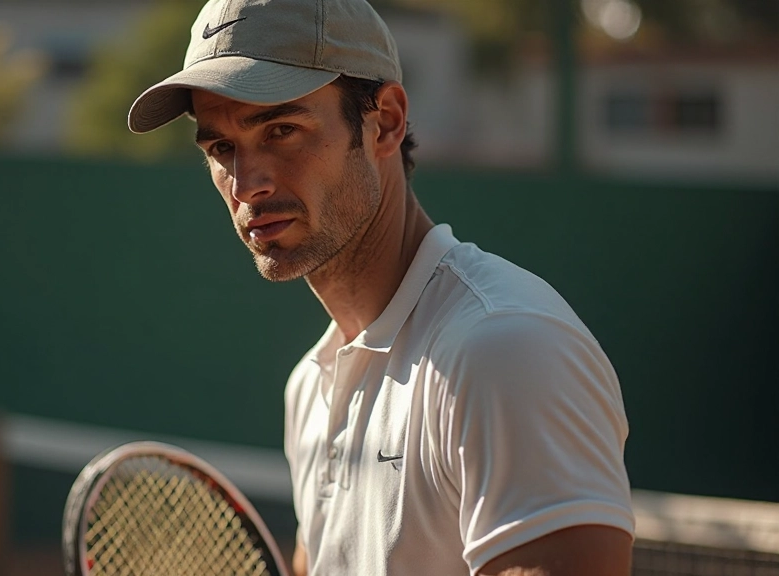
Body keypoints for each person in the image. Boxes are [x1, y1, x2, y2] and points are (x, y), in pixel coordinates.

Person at [127, 0, 635, 573]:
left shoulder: (505, 348)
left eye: (282, 129)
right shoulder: (308, 389)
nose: (247, 184)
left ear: (385, 121)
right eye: (222, 148)